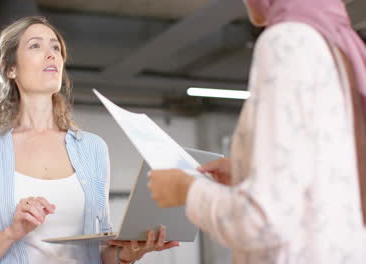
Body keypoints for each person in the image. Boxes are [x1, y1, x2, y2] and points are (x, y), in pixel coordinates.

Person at [0, 16, 178, 264]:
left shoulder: (93, 149)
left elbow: (101, 252)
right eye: (36, 46)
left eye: (55, 47)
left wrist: (127, 254)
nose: (51, 54)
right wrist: (12, 233)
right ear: (10, 68)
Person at [148, 0, 366, 263]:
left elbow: (264, 222)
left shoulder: (287, 41)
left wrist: (185, 189)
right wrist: (248, 171)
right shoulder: (337, 44)